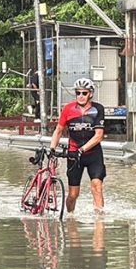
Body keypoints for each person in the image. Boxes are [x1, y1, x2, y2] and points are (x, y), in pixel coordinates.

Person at [49, 78, 105, 214]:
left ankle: (99, 221)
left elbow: (99, 135)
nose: (80, 96)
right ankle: (70, 218)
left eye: (84, 93)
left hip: (93, 155)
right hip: (74, 156)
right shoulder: (68, 109)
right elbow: (58, 130)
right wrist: (52, 149)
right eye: (78, 93)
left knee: (97, 186)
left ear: (90, 94)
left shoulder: (98, 109)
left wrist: (83, 149)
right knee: (73, 194)